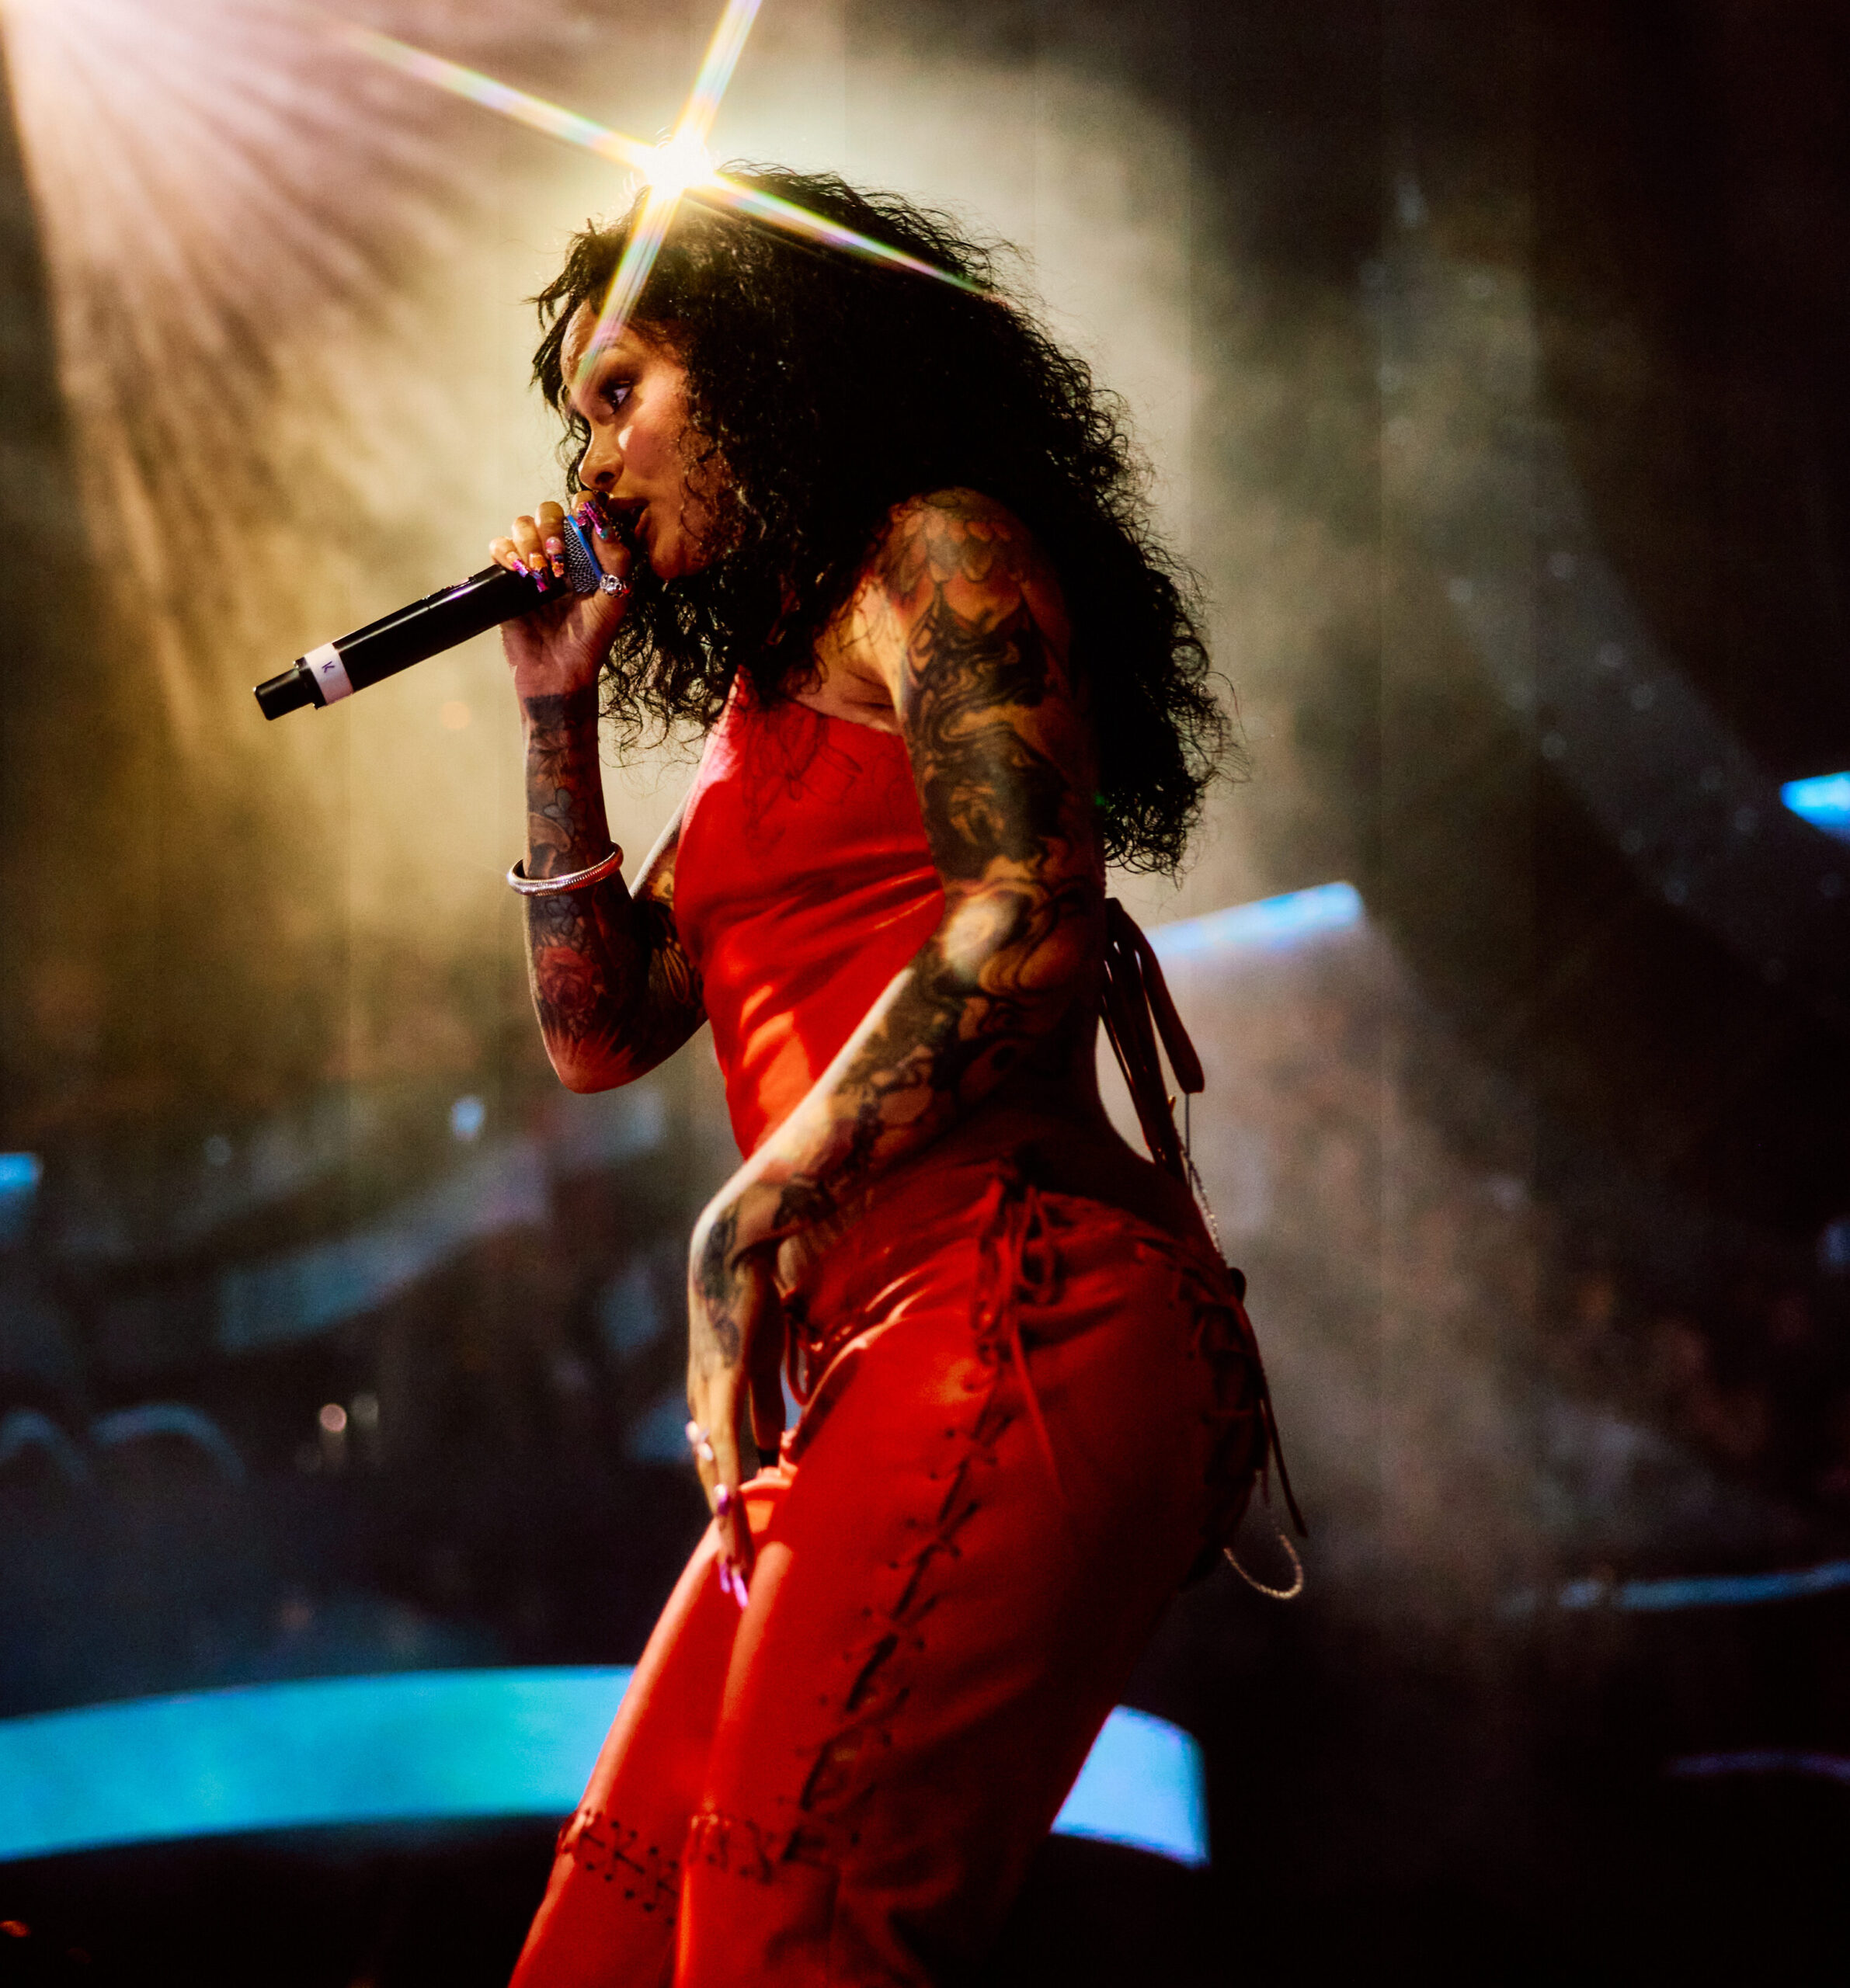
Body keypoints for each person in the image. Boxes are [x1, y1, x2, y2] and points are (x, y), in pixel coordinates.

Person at [495, 170, 1281, 1987]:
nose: (589, 460)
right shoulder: (760, 704)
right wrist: (552, 709)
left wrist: (767, 1195)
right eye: (574, 419)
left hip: (1023, 1293)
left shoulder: (934, 553)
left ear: (765, 359)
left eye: (623, 392)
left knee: (795, 1925)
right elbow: (599, 1028)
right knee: (600, 1947)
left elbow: (1029, 910)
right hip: (852, 1359)